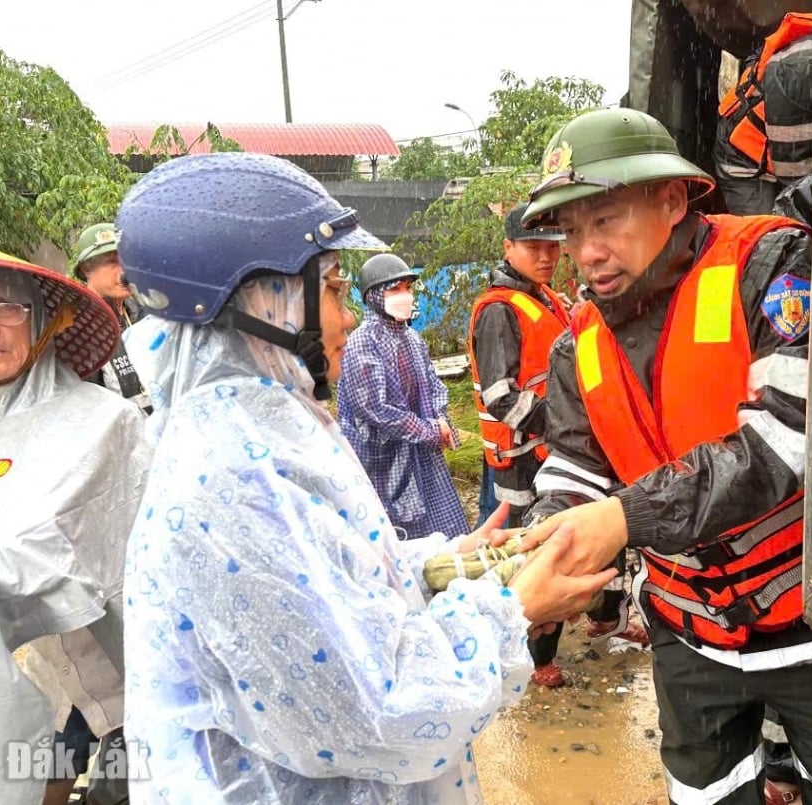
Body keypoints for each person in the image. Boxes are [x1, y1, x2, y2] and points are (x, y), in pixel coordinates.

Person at [114, 152, 615, 803]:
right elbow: (382, 709)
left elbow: (325, 583)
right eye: (331, 288)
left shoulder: (258, 428)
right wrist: (510, 610)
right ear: (262, 299)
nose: (347, 316)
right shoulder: (234, 477)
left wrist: (442, 566)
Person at [513, 107, 812, 805]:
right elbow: (575, 468)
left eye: (606, 219)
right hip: (688, 634)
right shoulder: (576, 343)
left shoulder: (769, 268)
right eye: (572, 231)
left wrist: (624, 518)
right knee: (705, 794)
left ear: (673, 200)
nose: (586, 252)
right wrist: (553, 540)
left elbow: (786, 442)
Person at [0, 247, 150, 803]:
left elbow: (35, 558)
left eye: (6, 307)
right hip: (22, 677)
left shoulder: (100, 422)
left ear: (42, 322)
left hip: (121, 690)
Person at [467, 203, 574, 687]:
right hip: (521, 459)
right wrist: (563, 424)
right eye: (534, 247)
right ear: (508, 248)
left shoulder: (545, 297)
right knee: (526, 552)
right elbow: (500, 395)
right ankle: (529, 657)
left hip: (549, 448)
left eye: (553, 246)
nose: (546, 256)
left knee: (552, 541)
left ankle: (549, 639)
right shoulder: (499, 310)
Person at [337, 253, 468, 539]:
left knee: (437, 525)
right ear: (373, 296)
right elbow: (374, 408)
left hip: (420, 449)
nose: (405, 295)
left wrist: (440, 419)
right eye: (394, 289)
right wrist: (429, 430)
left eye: (408, 288)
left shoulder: (412, 338)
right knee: (389, 530)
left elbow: (433, 385)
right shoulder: (362, 342)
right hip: (379, 456)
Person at [714, 12, 812, 215]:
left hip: (783, 135)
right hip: (743, 159)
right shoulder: (800, 70)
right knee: (774, 231)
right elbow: (793, 176)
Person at [71, 221, 152, 413]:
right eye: (112, 262)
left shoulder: (144, 315)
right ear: (86, 268)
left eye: (127, 261)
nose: (124, 272)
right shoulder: (76, 328)